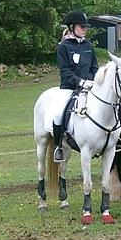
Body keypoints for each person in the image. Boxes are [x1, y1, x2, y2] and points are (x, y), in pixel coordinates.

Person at [53, 10, 99, 162]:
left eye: (86, 27)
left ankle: (112, 139)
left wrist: (93, 81)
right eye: (82, 26)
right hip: (69, 88)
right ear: (72, 27)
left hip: (88, 88)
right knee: (58, 114)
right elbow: (65, 71)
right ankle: (58, 146)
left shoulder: (88, 45)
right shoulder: (63, 47)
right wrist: (80, 82)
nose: (85, 29)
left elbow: (94, 67)